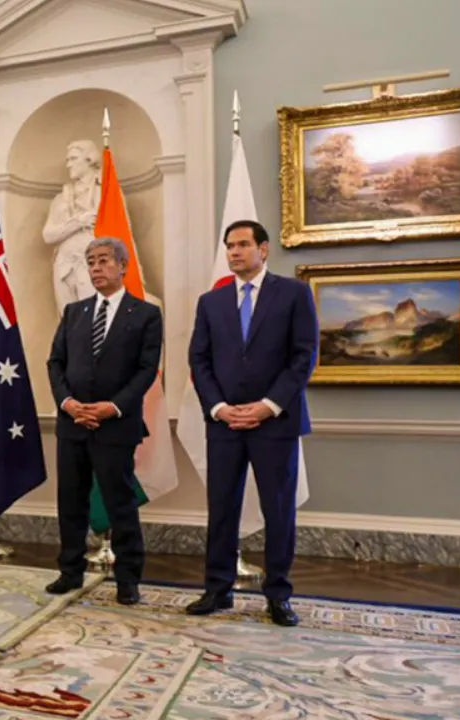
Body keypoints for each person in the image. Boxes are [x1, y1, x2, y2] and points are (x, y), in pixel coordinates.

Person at [186, 219, 316, 627]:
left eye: (242, 244)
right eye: (229, 246)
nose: (234, 252)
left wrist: (268, 405)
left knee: (278, 511)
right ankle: (217, 589)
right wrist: (218, 407)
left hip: (275, 422)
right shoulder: (211, 302)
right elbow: (199, 360)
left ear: (264, 249)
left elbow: (304, 356)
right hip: (224, 423)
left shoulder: (293, 293)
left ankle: (278, 595)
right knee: (222, 508)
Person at [44, 236, 162, 605]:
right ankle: (70, 571)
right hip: (73, 424)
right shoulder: (74, 312)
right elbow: (55, 363)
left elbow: (146, 370)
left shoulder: (145, 314)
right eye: (91, 262)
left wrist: (113, 406)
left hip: (116, 425)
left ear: (123, 266)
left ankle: (128, 579)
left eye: (103, 261)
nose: (95, 268)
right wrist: (67, 403)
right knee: (71, 501)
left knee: (120, 502)